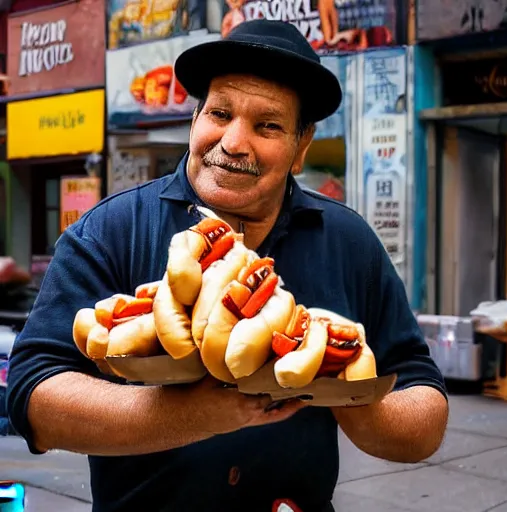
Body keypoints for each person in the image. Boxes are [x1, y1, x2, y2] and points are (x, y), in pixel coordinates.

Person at [7, 20, 448, 512]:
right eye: (219, 113)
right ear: (195, 119)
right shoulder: (109, 231)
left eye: (268, 126)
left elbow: (424, 413)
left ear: (302, 147)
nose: (234, 142)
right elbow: (33, 398)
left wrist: (344, 393)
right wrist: (198, 415)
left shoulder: (349, 243)